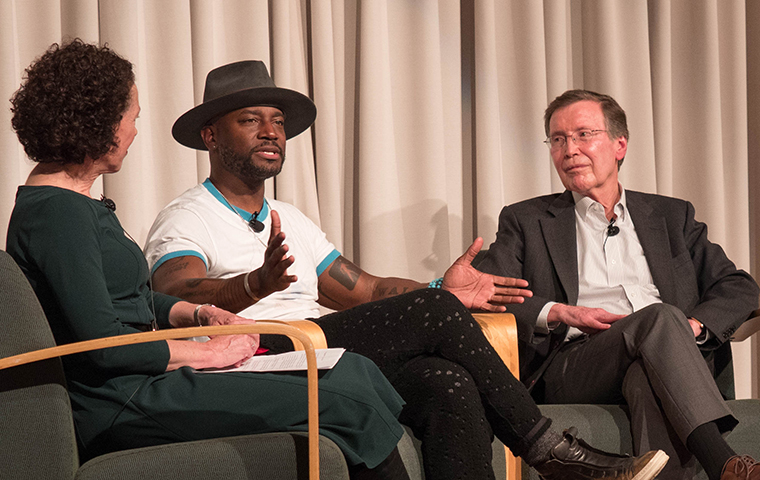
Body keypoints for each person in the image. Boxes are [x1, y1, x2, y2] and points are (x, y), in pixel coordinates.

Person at [144, 60, 668, 480]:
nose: (270, 132)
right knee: (434, 314)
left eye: (278, 122)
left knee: (448, 383)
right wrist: (254, 284)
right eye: (250, 120)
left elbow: (364, 289)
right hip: (257, 354)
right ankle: (549, 450)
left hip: (320, 355)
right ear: (211, 136)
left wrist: (440, 288)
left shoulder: (292, 218)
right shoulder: (188, 216)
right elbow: (173, 294)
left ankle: (545, 455)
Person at [5, 40, 416, 480]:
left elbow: (130, 300)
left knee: (354, 371)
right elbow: (103, 344)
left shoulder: (76, 204)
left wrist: (197, 312)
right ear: (98, 119)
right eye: (132, 118)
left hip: (148, 382)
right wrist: (206, 353)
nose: (134, 132)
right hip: (125, 399)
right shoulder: (57, 213)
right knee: (347, 401)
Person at [474, 89, 760, 480]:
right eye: (558, 139)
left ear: (619, 145)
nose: (570, 150)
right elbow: (490, 292)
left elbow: (739, 287)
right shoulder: (526, 221)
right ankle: (725, 463)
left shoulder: (671, 216)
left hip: (663, 358)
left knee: (646, 370)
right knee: (659, 317)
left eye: (583, 135)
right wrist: (560, 312)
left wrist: (692, 327)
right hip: (576, 365)